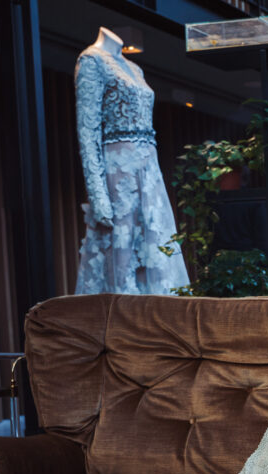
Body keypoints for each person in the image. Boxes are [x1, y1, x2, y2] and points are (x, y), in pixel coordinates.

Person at [74, 27, 189, 294]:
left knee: (156, 245)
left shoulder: (134, 68)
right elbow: (87, 129)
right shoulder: (91, 60)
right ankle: (125, 324)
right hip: (119, 172)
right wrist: (98, 194)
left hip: (148, 170)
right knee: (122, 252)